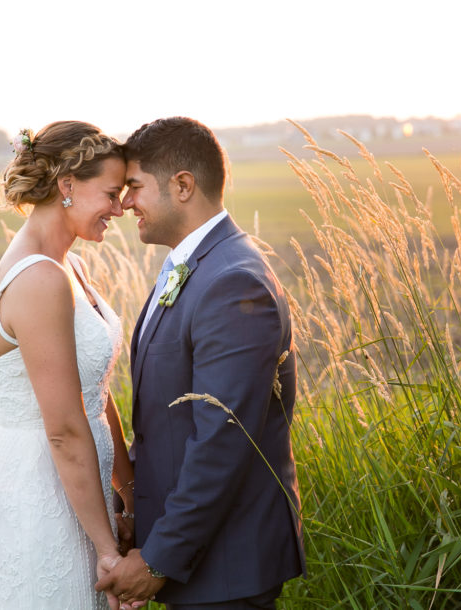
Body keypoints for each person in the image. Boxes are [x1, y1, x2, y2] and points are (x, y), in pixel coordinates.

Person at [97, 117, 305, 609]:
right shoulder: (194, 266)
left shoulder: (233, 282)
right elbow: (170, 422)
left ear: (183, 186)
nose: (125, 204)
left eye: (135, 187)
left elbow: (222, 440)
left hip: (228, 565)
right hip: (201, 555)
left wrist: (158, 559)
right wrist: (138, 515)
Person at [0, 121, 136, 609]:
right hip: (40, 497)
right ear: (67, 185)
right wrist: (109, 551)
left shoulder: (69, 266)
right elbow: (64, 428)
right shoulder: (40, 278)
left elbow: (95, 390)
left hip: (82, 495)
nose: (119, 208)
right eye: (110, 193)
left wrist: (130, 493)